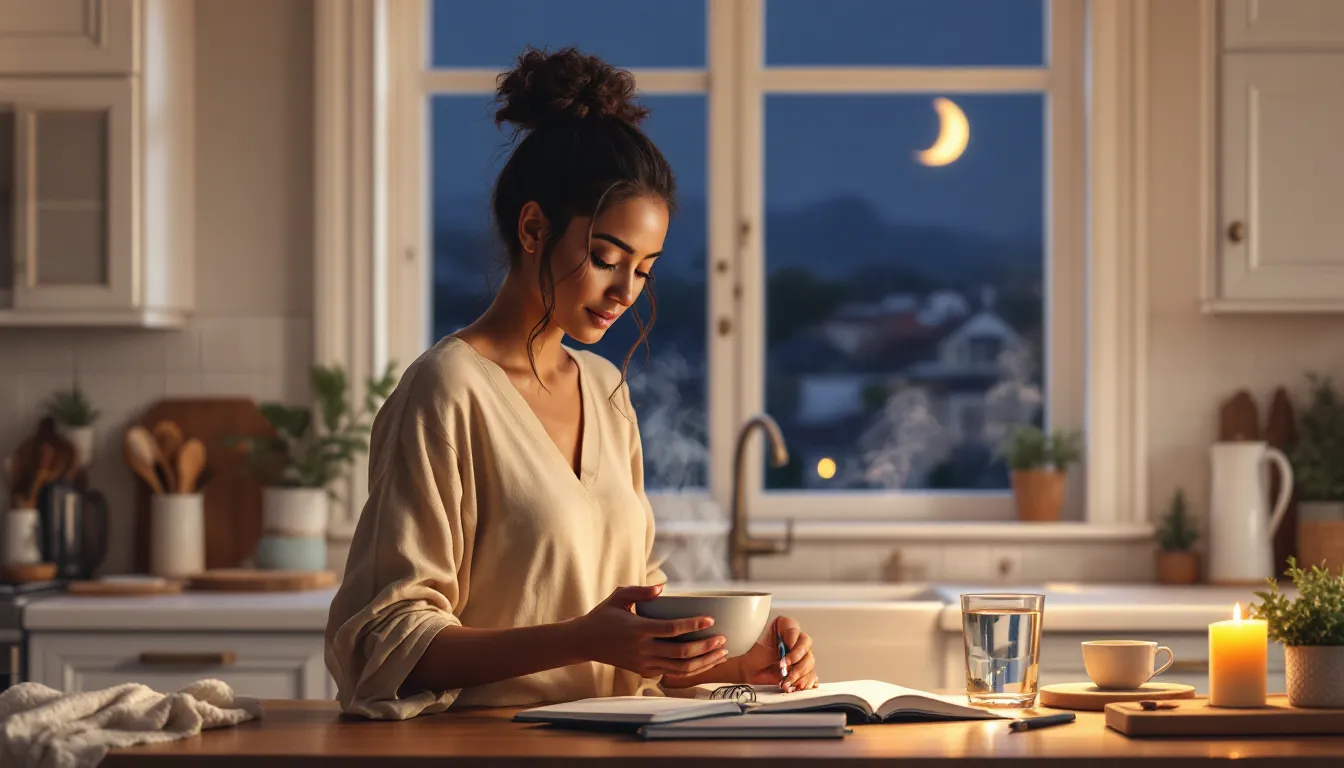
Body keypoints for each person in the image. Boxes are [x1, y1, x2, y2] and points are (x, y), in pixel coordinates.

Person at [324, 46, 818, 721]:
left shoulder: (605, 388)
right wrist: (582, 638)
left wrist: (738, 665)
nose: (624, 291)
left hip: (616, 743)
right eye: (606, 258)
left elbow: (627, 647)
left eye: (643, 269)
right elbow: (383, 641)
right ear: (534, 228)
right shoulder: (446, 391)